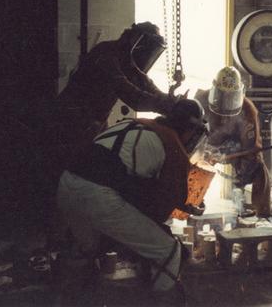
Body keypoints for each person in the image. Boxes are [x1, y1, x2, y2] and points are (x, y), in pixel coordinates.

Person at [56, 98, 208, 302]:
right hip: (98, 196)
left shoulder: (136, 124)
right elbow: (161, 208)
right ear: (190, 130)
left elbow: (127, 179)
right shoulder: (171, 144)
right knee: (168, 250)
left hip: (66, 186)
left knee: (91, 251)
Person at [46, 22, 177, 173]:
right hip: (70, 120)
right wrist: (165, 105)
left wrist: (169, 100)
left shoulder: (126, 59)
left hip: (92, 123)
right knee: (68, 170)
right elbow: (131, 94)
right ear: (136, 40)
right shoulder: (106, 54)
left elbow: (145, 83)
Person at [194, 66, 272, 218]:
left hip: (234, 149)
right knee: (190, 170)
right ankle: (190, 205)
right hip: (205, 144)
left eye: (231, 98)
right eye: (222, 97)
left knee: (260, 171)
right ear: (214, 90)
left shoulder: (248, 110)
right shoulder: (200, 100)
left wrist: (244, 173)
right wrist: (200, 153)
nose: (226, 104)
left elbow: (252, 148)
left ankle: (263, 215)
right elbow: (188, 135)